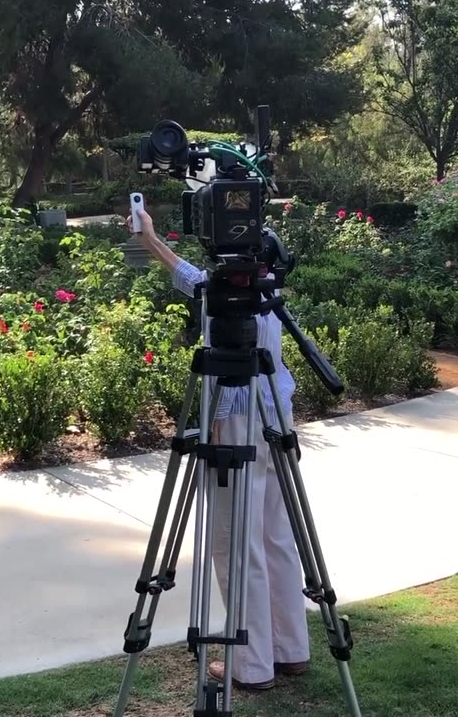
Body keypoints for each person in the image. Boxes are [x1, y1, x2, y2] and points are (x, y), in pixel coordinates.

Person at [128, 210, 310, 691]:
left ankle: (251, 664)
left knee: (235, 542)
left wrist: (148, 237)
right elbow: (193, 278)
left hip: (236, 421)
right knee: (276, 537)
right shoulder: (266, 299)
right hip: (277, 419)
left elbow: (188, 276)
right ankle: (290, 649)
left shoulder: (224, 299)